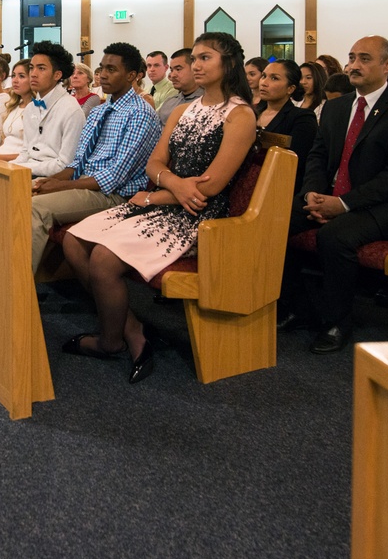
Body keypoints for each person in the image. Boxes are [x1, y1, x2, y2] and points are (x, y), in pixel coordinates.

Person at [61, 32, 256, 383]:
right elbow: (154, 164)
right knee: (74, 240)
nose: (196, 64)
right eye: (194, 58)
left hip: (198, 216)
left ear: (229, 64)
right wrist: (173, 183)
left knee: (104, 259)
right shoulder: (183, 110)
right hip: (166, 201)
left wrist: (158, 194)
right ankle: (132, 329)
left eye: (205, 58)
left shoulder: (239, 115)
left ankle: (110, 342)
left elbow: (211, 187)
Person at [281, 35, 388, 354]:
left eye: (364, 58)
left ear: (387, 66)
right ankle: (298, 307)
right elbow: (318, 156)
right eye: (351, 58)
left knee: (335, 236)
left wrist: (343, 204)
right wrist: (312, 195)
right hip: (332, 195)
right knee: (276, 219)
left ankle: (337, 322)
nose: (354, 65)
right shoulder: (336, 107)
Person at [29, 42, 162, 272]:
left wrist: (60, 186)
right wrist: (47, 182)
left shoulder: (139, 114)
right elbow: (77, 163)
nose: (103, 75)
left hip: (115, 195)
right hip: (86, 186)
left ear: (131, 75)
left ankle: (17, 294)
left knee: (34, 208)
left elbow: (113, 178)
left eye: (112, 70)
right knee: (18, 194)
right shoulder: (100, 111)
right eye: (101, 69)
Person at [14, 41, 85, 177]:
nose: (33, 74)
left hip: (53, 177)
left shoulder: (71, 110)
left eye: (41, 68)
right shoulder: (31, 107)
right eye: (31, 68)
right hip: (27, 170)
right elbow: (25, 152)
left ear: (57, 75)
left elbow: (65, 163)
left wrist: (24, 169)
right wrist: (10, 167)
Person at [256, 59, 318, 191]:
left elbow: (294, 161)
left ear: (290, 88)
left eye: (274, 78)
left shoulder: (301, 118)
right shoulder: (251, 112)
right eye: (263, 76)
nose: (264, 83)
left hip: (279, 186)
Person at [157, 49, 202, 125]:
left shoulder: (205, 102)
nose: (172, 75)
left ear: (194, 68)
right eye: (171, 70)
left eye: (178, 69)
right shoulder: (169, 102)